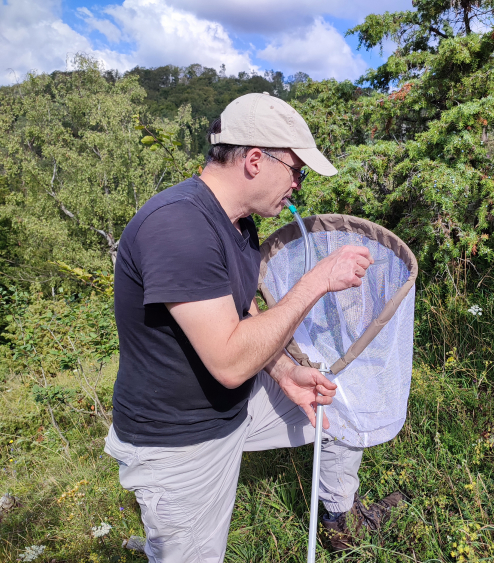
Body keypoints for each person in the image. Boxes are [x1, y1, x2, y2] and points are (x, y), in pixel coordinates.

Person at [104, 92, 403, 562]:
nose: (298, 186)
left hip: (231, 407)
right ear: (256, 160)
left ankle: (339, 518)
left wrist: (286, 375)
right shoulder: (179, 227)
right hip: (180, 441)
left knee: (337, 400)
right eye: (297, 170)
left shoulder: (239, 226)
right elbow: (228, 362)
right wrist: (317, 281)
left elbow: (241, 317)